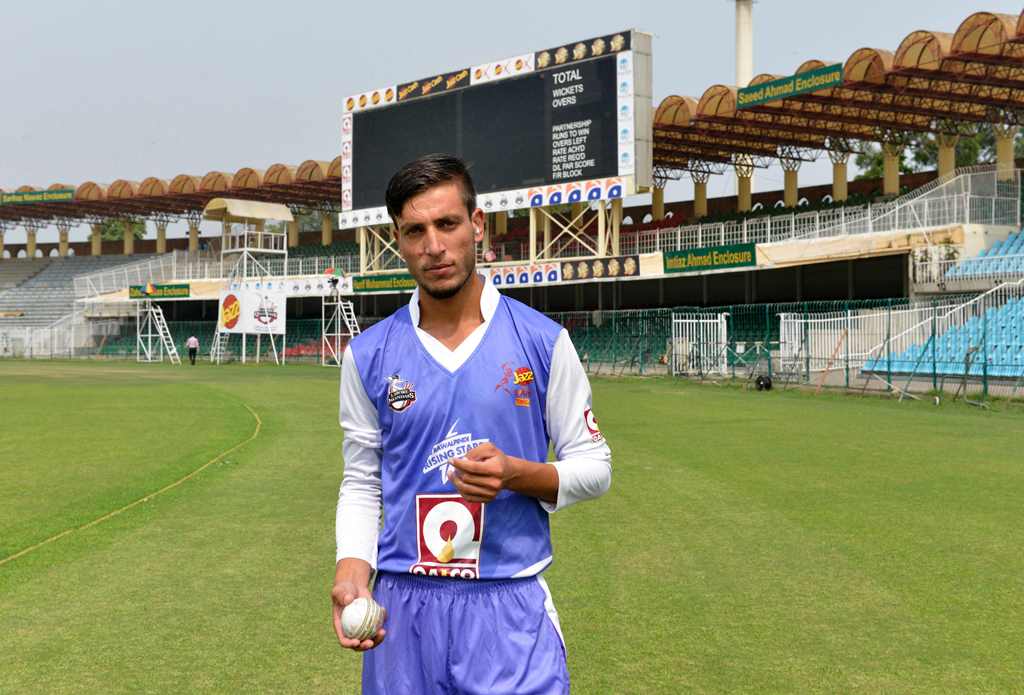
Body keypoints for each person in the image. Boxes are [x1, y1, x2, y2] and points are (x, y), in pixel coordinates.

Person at [332, 154, 612, 694]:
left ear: (477, 225)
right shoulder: (367, 355)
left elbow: (596, 467)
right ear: (397, 239)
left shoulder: (542, 341)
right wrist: (350, 567)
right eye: (415, 231)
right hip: (402, 607)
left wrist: (516, 474)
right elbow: (362, 481)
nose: (433, 246)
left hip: (508, 602)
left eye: (447, 224)